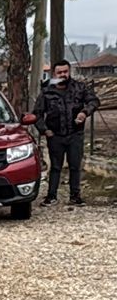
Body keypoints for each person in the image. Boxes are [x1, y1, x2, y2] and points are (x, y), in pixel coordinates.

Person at [33, 59, 100, 206]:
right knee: (55, 167)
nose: (63, 74)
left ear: (69, 71)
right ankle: (51, 196)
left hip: (75, 134)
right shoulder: (46, 91)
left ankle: (75, 196)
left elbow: (94, 101)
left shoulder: (80, 88)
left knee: (75, 166)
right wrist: (44, 130)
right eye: (59, 72)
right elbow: (37, 114)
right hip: (55, 135)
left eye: (65, 71)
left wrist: (84, 112)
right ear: (54, 73)